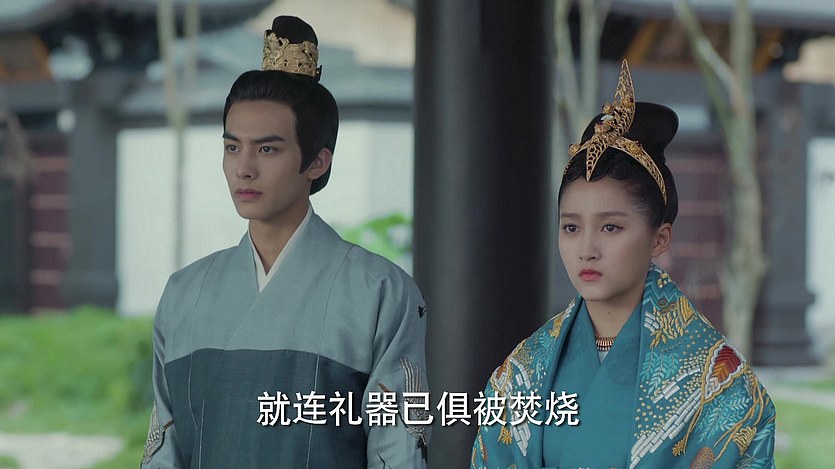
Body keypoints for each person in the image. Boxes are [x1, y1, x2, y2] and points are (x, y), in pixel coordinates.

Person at [141, 16, 429, 468]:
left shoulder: (379, 291)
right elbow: (164, 452)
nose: (244, 168)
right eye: (232, 147)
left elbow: (397, 452)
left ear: (317, 162)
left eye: (267, 149)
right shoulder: (184, 294)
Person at [470, 61, 775, 469]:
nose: (587, 249)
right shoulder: (521, 371)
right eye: (572, 227)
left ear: (659, 238)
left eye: (611, 227)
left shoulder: (720, 385)